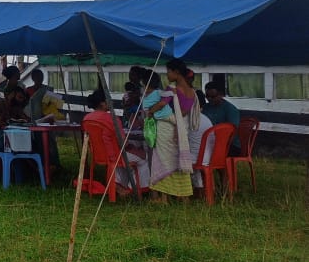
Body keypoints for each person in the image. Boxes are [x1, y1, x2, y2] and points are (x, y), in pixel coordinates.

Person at [146, 60, 199, 201]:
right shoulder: (192, 92)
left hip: (168, 130)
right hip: (181, 130)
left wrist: (151, 111)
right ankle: (184, 197)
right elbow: (184, 112)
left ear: (176, 72)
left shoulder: (172, 89)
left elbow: (162, 103)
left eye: (169, 71)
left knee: (164, 162)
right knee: (178, 162)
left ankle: (163, 199)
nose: (167, 74)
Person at [82, 88, 149, 195]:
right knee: (144, 158)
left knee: (120, 157)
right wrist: (134, 148)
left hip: (99, 155)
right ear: (103, 104)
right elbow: (123, 143)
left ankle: (119, 184)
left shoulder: (87, 118)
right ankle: (133, 188)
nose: (112, 102)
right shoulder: (113, 119)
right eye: (109, 100)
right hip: (115, 155)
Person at [203, 83, 242, 154]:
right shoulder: (206, 107)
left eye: (213, 96)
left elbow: (232, 132)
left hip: (230, 145)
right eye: (207, 96)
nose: (209, 99)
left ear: (221, 95)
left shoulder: (230, 109)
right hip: (210, 141)